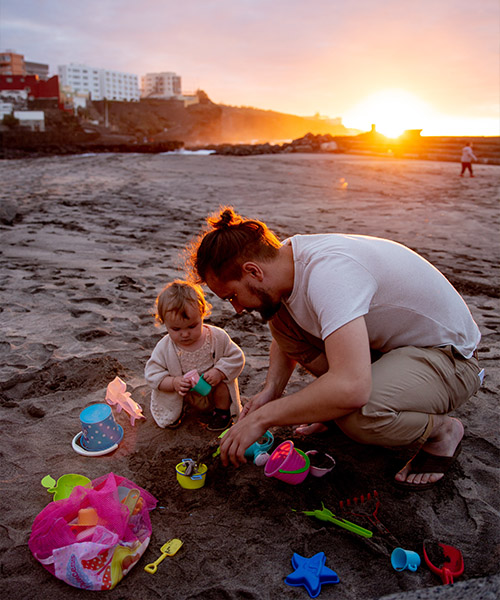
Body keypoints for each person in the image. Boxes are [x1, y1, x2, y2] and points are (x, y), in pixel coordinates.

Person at [189, 207, 482, 490]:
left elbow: (353, 388)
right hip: (393, 350)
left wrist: (263, 418)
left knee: (358, 412)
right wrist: (271, 390)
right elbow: (285, 338)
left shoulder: (329, 274)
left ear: (252, 271)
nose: (238, 309)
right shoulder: (285, 263)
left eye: (232, 297)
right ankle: (337, 407)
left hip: (449, 358)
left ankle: (443, 431)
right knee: (278, 316)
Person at [145, 280, 245, 431]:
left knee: (223, 387)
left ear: (202, 314)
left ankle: (222, 414)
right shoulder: (164, 347)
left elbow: (236, 357)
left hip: (212, 391)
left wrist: (219, 371)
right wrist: (173, 382)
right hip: (185, 394)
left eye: (192, 326)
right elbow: (152, 375)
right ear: (164, 323)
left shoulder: (216, 337)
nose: (185, 334)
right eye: (176, 329)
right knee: (174, 395)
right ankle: (178, 413)